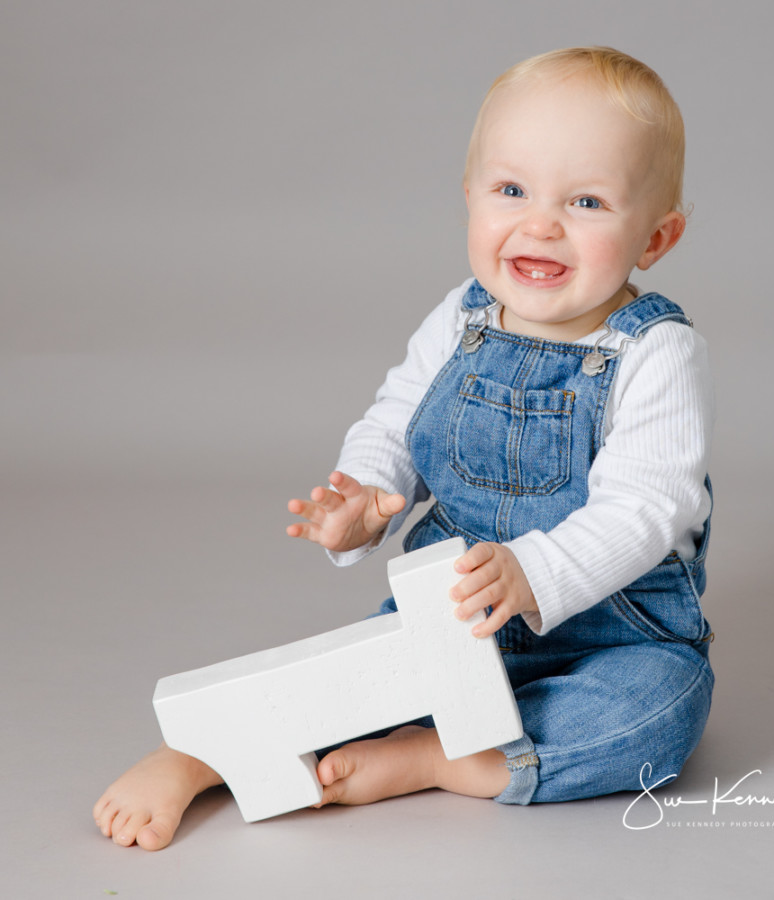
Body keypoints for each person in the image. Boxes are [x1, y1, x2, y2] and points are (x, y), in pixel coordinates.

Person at [93, 45, 715, 851]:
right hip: (457, 616)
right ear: (469, 196)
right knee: (354, 679)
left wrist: (534, 574)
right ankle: (199, 755)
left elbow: (651, 506)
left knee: (664, 710)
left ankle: (447, 760)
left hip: (616, 634)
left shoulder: (653, 351)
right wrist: (364, 496)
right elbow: (396, 419)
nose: (541, 223)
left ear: (656, 238)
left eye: (588, 202)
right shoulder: (460, 319)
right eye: (511, 190)